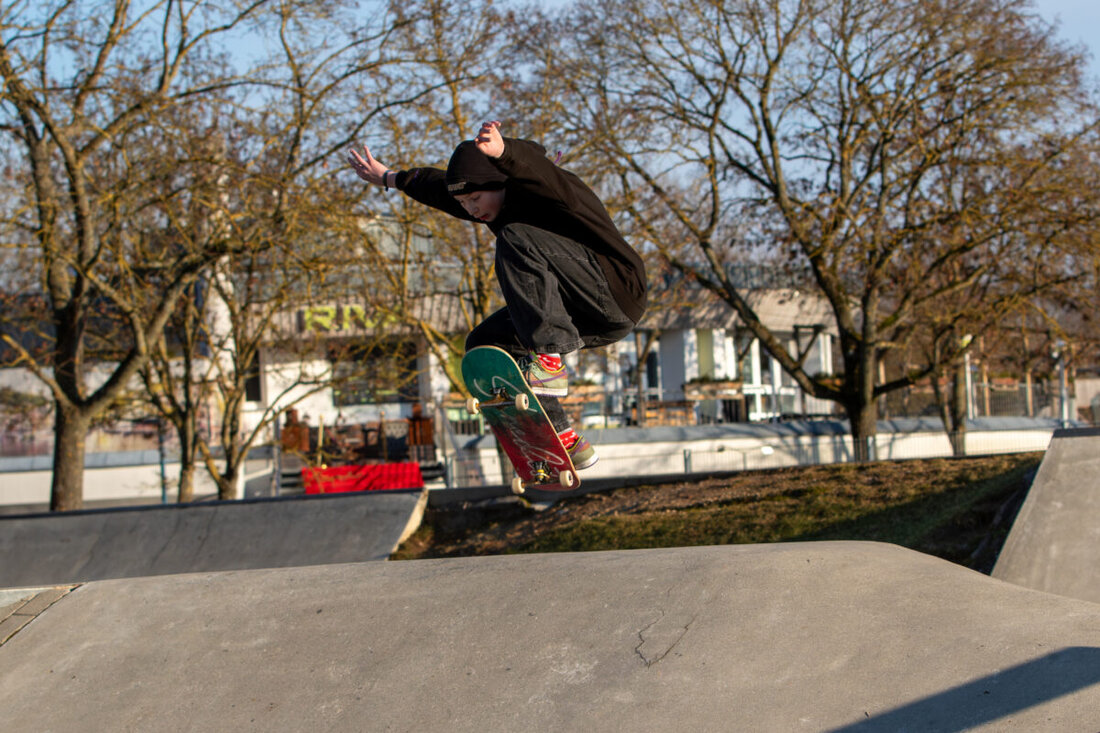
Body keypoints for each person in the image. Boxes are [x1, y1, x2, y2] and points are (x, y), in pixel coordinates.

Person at [347, 121, 647, 469]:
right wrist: (390, 178)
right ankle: (563, 438)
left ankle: (549, 360)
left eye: (475, 199)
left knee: (515, 238)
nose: (472, 210)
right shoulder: (488, 202)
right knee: (485, 344)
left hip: (615, 290)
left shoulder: (548, 188)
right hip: (586, 317)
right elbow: (436, 187)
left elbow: (539, 172)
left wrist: (505, 153)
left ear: (501, 180)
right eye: (464, 203)